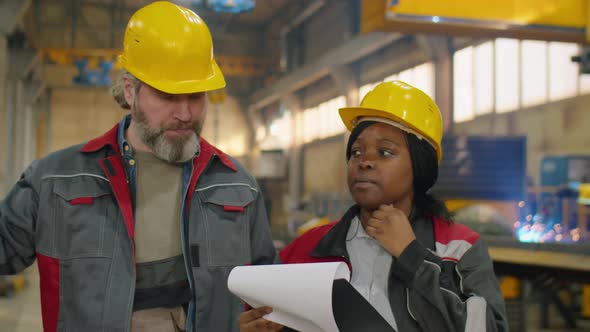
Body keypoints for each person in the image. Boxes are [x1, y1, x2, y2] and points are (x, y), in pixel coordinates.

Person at [0, 1, 276, 331]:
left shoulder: (237, 185)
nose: (185, 113)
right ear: (131, 91)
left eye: (195, 95)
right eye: (168, 96)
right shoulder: (57, 180)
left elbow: (268, 287)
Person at [240, 81, 508, 332]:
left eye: (385, 152)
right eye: (356, 152)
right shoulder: (306, 248)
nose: (364, 162)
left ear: (419, 165)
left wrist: (412, 256)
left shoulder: (458, 248)